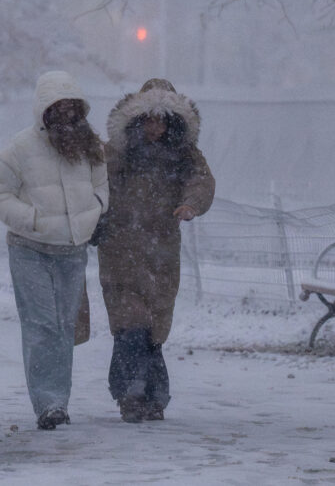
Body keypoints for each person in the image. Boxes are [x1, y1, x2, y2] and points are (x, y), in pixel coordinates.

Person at [0, 71, 108, 430]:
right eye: (60, 108)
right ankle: (48, 404)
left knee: (63, 326)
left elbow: (102, 183)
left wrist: (94, 209)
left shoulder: (91, 148)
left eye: (73, 108)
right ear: (45, 110)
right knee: (41, 326)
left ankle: (60, 400)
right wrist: (32, 219)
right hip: (30, 249)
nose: (67, 115)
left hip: (72, 250)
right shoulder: (20, 148)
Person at [93, 78, 215, 423]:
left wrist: (191, 204)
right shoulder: (116, 152)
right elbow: (94, 180)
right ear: (136, 119)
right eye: (148, 119)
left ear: (173, 122)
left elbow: (201, 181)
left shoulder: (184, 155)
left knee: (154, 325)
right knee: (131, 322)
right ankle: (131, 393)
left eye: (161, 121)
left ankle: (152, 395)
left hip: (161, 251)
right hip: (120, 248)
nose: (155, 128)